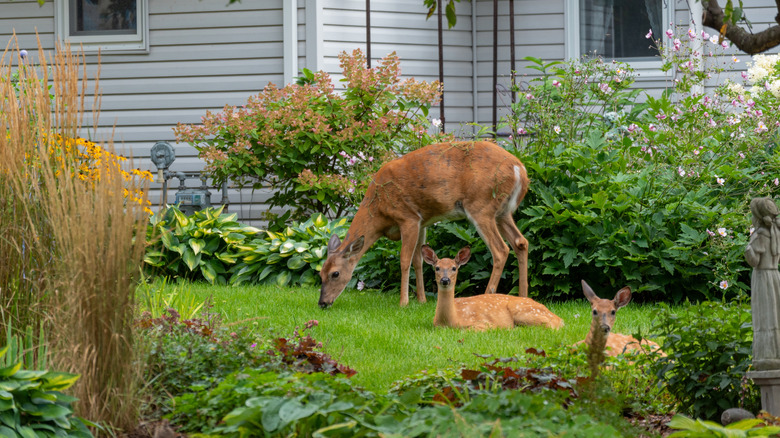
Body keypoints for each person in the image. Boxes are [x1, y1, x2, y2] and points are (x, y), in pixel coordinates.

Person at [746, 197, 780, 370]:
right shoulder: (775, 232)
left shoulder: (760, 235)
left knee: (764, 316)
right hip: (774, 276)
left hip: (762, 278)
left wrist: (747, 250)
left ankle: (766, 354)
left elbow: (754, 260)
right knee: (775, 314)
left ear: (757, 218)